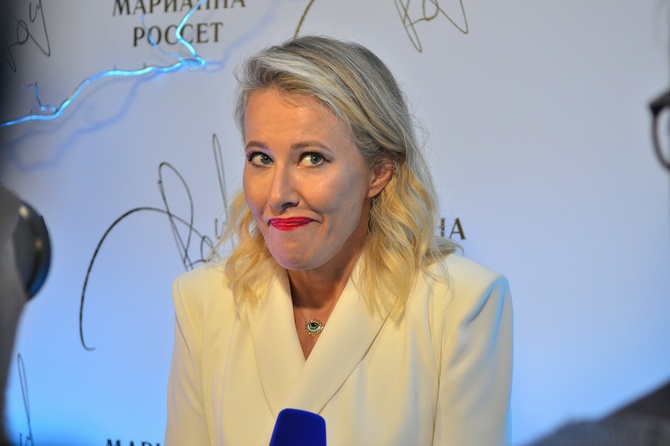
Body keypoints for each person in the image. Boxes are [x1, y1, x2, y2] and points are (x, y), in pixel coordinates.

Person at [164, 35, 513, 446]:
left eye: (312, 158)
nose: (278, 194)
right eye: (261, 158)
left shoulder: (461, 304)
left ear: (378, 172)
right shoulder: (203, 302)